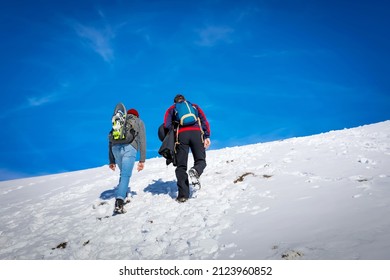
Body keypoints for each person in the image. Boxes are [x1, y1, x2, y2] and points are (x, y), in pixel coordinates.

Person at [163, 94, 211, 202]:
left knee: (181, 166)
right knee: (200, 160)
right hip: (196, 134)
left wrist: (174, 131)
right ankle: (196, 170)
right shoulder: (194, 106)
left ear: (175, 102)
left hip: (181, 136)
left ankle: (183, 195)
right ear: (185, 100)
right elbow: (204, 120)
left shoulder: (172, 109)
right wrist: (206, 136)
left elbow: (166, 125)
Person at [108, 108, 146, 212]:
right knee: (125, 175)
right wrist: (142, 160)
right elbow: (142, 140)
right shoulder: (138, 121)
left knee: (123, 173)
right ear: (136, 116)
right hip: (129, 148)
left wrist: (111, 160)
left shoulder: (119, 121)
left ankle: (122, 193)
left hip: (115, 149)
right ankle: (119, 201)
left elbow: (110, 140)